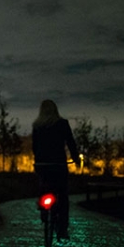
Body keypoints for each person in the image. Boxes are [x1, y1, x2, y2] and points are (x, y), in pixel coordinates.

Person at [32, 99, 80, 239]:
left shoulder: (37, 126)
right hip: (58, 164)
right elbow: (70, 142)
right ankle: (62, 229)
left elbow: (35, 147)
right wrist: (75, 158)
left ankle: (43, 209)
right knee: (62, 194)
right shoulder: (62, 124)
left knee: (43, 185)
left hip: (42, 164)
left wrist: (38, 160)